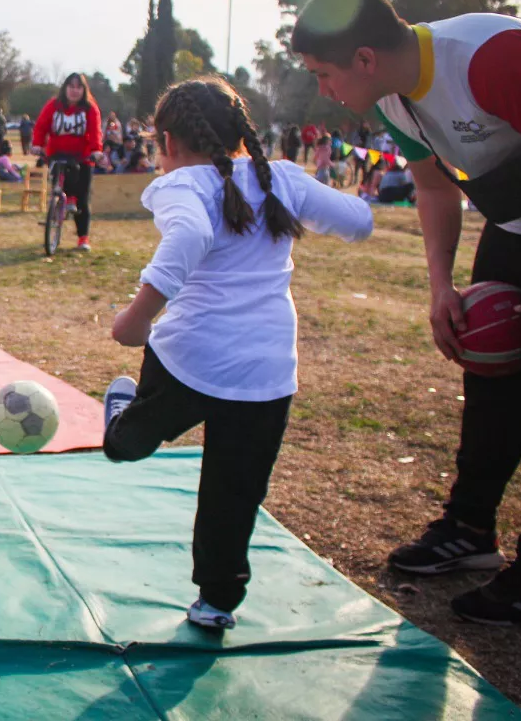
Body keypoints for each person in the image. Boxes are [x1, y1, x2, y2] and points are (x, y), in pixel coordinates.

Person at [293, 0, 521, 625]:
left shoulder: (491, 58)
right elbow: (436, 189)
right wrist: (442, 286)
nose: (323, 90)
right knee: (490, 373)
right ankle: (470, 527)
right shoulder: (394, 98)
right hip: (517, 222)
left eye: (324, 73)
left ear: (365, 58)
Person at [102, 76, 373, 629]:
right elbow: (360, 221)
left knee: (128, 445)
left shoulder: (184, 185)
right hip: (265, 372)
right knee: (235, 492)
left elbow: (188, 237)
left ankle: (125, 425)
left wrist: (137, 317)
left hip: (190, 361)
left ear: (168, 142)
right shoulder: (282, 179)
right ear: (241, 133)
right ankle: (217, 601)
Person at [32, 72, 103, 250]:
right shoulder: (53, 106)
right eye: (71, 86)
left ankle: (83, 238)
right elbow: (41, 126)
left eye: (78, 87)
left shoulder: (90, 108)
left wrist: (96, 150)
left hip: (82, 157)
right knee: (59, 185)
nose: (74, 91)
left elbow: (95, 131)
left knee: (82, 199)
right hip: (57, 154)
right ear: (65, 88)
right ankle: (58, 210)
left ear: (84, 90)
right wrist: (37, 145)